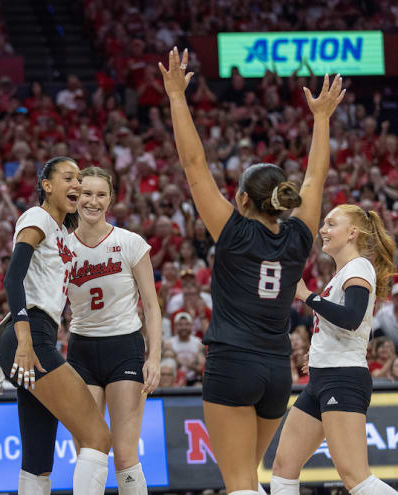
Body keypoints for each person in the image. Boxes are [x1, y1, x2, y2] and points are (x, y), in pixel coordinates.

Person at [159, 48, 344, 494]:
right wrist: (321, 120)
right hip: (277, 369)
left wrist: (177, 98)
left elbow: (193, 165)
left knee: (240, 485)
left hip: (231, 363)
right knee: (249, 483)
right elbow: (315, 179)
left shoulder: (233, 231)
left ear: (242, 200)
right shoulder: (300, 235)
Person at [0, 156, 112, 495]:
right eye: (69, 178)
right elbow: (13, 280)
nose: (77, 185)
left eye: (80, 180)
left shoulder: (61, 233)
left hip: (39, 338)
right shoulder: (37, 216)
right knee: (97, 437)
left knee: (38, 459)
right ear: (47, 185)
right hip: (29, 339)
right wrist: (25, 341)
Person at [272, 204, 398, 494]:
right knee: (283, 467)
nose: (323, 230)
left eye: (331, 224)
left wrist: (307, 295)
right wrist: (318, 352)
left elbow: (352, 318)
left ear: (352, 232)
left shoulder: (358, 267)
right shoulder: (344, 272)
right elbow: (345, 325)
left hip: (342, 379)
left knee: (356, 479)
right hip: (323, 377)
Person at [66, 166, 161, 495]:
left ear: (111, 199)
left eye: (101, 195)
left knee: (124, 455)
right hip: (80, 350)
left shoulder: (130, 243)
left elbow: (151, 304)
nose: (93, 201)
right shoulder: (61, 248)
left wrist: (155, 358)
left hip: (125, 350)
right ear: (76, 197)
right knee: (89, 451)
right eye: (87, 194)